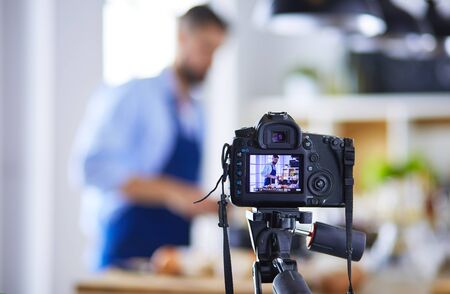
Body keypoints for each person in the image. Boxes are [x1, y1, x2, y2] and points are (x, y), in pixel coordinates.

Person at [71, 5, 227, 269]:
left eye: (215, 51)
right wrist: (172, 193)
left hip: (173, 253)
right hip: (126, 246)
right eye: (204, 47)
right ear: (181, 38)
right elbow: (91, 167)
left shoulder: (196, 112)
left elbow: (187, 192)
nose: (210, 60)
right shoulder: (134, 94)